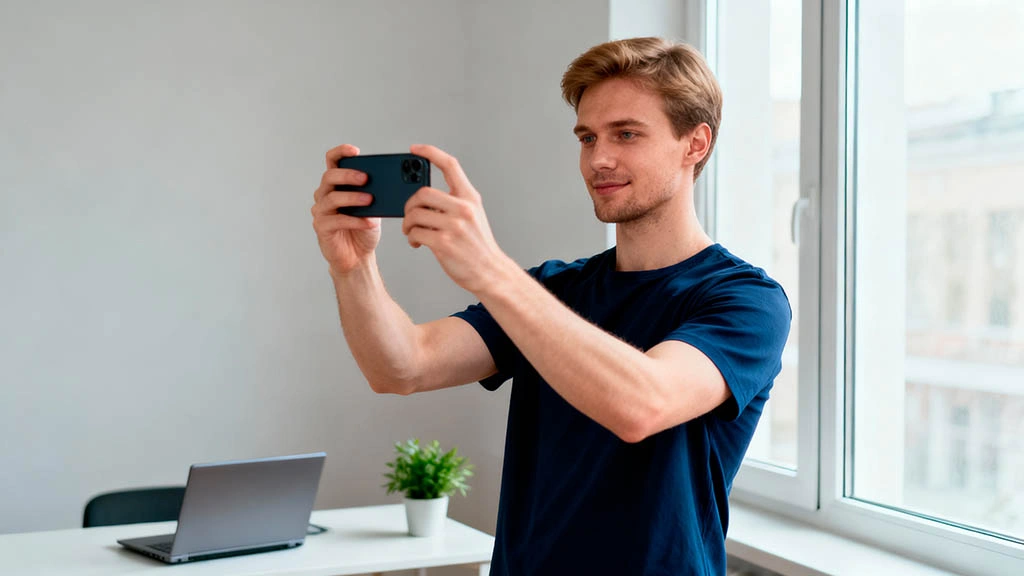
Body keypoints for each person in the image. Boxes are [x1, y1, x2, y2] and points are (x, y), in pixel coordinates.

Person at [311, 37, 791, 576]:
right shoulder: (555, 289)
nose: (599, 159)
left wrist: (491, 271)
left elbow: (642, 405)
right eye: (587, 137)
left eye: (626, 134)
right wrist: (353, 268)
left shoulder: (745, 300)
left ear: (695, 144)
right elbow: (401, 365)